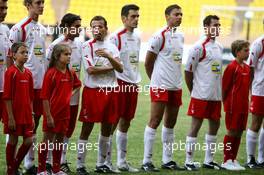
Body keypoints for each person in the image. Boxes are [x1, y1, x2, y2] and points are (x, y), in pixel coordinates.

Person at [76, 15, 123, 175]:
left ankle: (101, 164)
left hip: (111, 91)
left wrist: (109, 57)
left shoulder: (112, 47)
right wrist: (112, 66)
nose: (97, 29)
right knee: (86, 128)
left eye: (100, 26)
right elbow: (91, 70)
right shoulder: (86, 46)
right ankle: (80, 165)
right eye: (94, 26)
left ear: (105, 28)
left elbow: (121, 69)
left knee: (107, 129)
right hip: (93, 92)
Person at [142, 4, 184, 172]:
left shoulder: (181, 36)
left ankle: (168, 160)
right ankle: (147, 161)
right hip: (160, 85)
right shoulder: (159, 36)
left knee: (170, 123)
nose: (179, 17)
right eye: (176, 14)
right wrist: (156, 81)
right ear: (167, 16)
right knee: (155, 121)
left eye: (181, 14)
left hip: (176, 86)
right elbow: (148, 62)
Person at [9, 0, 47, 173]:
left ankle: (29, 163)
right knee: (16, 128)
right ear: (28, 4)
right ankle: (12, 165)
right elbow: (11, 58)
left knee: (34, 124)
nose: (42, 6)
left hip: (39, 84)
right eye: (38, 3)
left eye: (43, 2)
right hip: (23, 86)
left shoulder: (43, 28)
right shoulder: (19, 28)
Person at [184, 15, 223, 171]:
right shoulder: (199, 46)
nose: (218, 28)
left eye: (219, 25)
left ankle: (209, 160)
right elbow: (188, 71)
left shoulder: (219, 47)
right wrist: (193, 91)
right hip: (200, 95)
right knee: (195, 126)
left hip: (216, 95)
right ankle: (188, 161)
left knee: (215, 125)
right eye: (215, 25)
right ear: (206, 27)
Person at [45, 13, 82, 174]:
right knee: (52, 131)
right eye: (76, 26)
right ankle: (46, 162)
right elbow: (48, 71)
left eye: (80, 26)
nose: (79, 29)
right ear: (66, 27)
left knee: (68, 129)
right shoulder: (56, 45)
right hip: (57, 99)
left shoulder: (80, 44)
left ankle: (61, 161)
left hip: (73, 97)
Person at [106, 4, 140, 172]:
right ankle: (106, 161)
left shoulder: (138, 37)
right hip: (119, 84)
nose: (136, 19)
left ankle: (122, 161)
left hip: (133, 84)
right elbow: (109, 62)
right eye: (133, 16)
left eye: (137, 16)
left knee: (126, 121)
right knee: (113, 121)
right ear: (124, 18)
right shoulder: (115, 38)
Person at [37, 44, 81, 175]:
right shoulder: (50, 73)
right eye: (66, 54)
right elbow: (44, 97)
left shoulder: (70, 73)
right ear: (57, 56)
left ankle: (56, 170)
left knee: (59, 142)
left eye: (69, 54)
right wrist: (48, 116)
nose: (69, 57)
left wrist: (69, 95)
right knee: (46, 141)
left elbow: (78, 85)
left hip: (65, 114)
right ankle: (41, 170)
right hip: (52, 113)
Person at [3, 42, 34, 175]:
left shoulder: (28, 73)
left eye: (27, 52)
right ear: (14, 55)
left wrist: (32, 115)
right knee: (13, 140)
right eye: (22, 52)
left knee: (29, 140)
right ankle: (11, 170)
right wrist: (10, 117)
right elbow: (7, 97)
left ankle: (14, 166)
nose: (25, 55)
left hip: (26, 114)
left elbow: (31, 97)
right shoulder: (10, 72)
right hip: (14, 114)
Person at [221, 40, 250, 170]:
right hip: (233, 105)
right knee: (232, 131)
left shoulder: (247, 68)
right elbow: (224, 88)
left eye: (248, 50)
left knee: (239, 132)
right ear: (237, 52)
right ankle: (226, 160)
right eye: (245, 50)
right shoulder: (232, 67)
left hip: (244, 105)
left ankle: (233, 158)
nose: (248, 53)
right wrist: (225, 104)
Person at [246, 31, 264, 168]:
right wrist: (251, 91)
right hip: (260, 91)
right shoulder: (259, 43)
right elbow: (250, 68)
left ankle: (262, 158)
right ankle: (250, 159)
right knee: (256, 123)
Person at [0, 0, 10, 123]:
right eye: (1, 8)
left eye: (5, 8)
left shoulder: (5, 30)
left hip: (4, 88)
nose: (4, 12)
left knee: (9, 123)